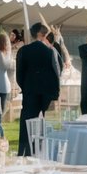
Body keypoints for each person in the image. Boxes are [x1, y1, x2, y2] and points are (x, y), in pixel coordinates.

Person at [15, 22, 60, 156]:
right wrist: (55, 92)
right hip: (47, 92)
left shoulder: (23, 50)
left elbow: (19, 74)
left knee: (27, 123)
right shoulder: (50, 51)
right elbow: (56, 72)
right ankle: (41, 152)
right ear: (42, 34)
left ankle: (24, 151)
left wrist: (25, 86)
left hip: (30, 91)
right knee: (44, 124)